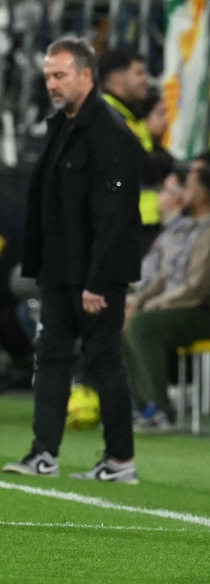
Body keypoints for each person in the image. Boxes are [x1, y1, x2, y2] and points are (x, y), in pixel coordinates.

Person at [2, 36, 142, 483]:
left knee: (103, 361)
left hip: (95, 275)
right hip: (59, 271)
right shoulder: (61, 124)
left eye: (60, 75)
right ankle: (44, 452)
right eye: (47, 75)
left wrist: (99, 281)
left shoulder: (110, 132)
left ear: (86, 75)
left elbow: (115, 217)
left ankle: (120, 460)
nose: (51, 83)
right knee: (52, 358)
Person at [123, 156, 210, 432]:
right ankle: (140, 405)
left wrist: (153, 306)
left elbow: (198, 287)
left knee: (143, 325)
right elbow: (162, 277)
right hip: (174, 307)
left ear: (204, 194)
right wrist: (137, 301)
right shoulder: (181, 229)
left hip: (205, 313)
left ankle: (160, 409)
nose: (184, 193)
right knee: (121, 319)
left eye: (190, 187)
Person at [97, 49, 160, 249]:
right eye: (139, 73)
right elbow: (143, 166)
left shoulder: (130, 116)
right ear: (116, 78)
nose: (146, 80)